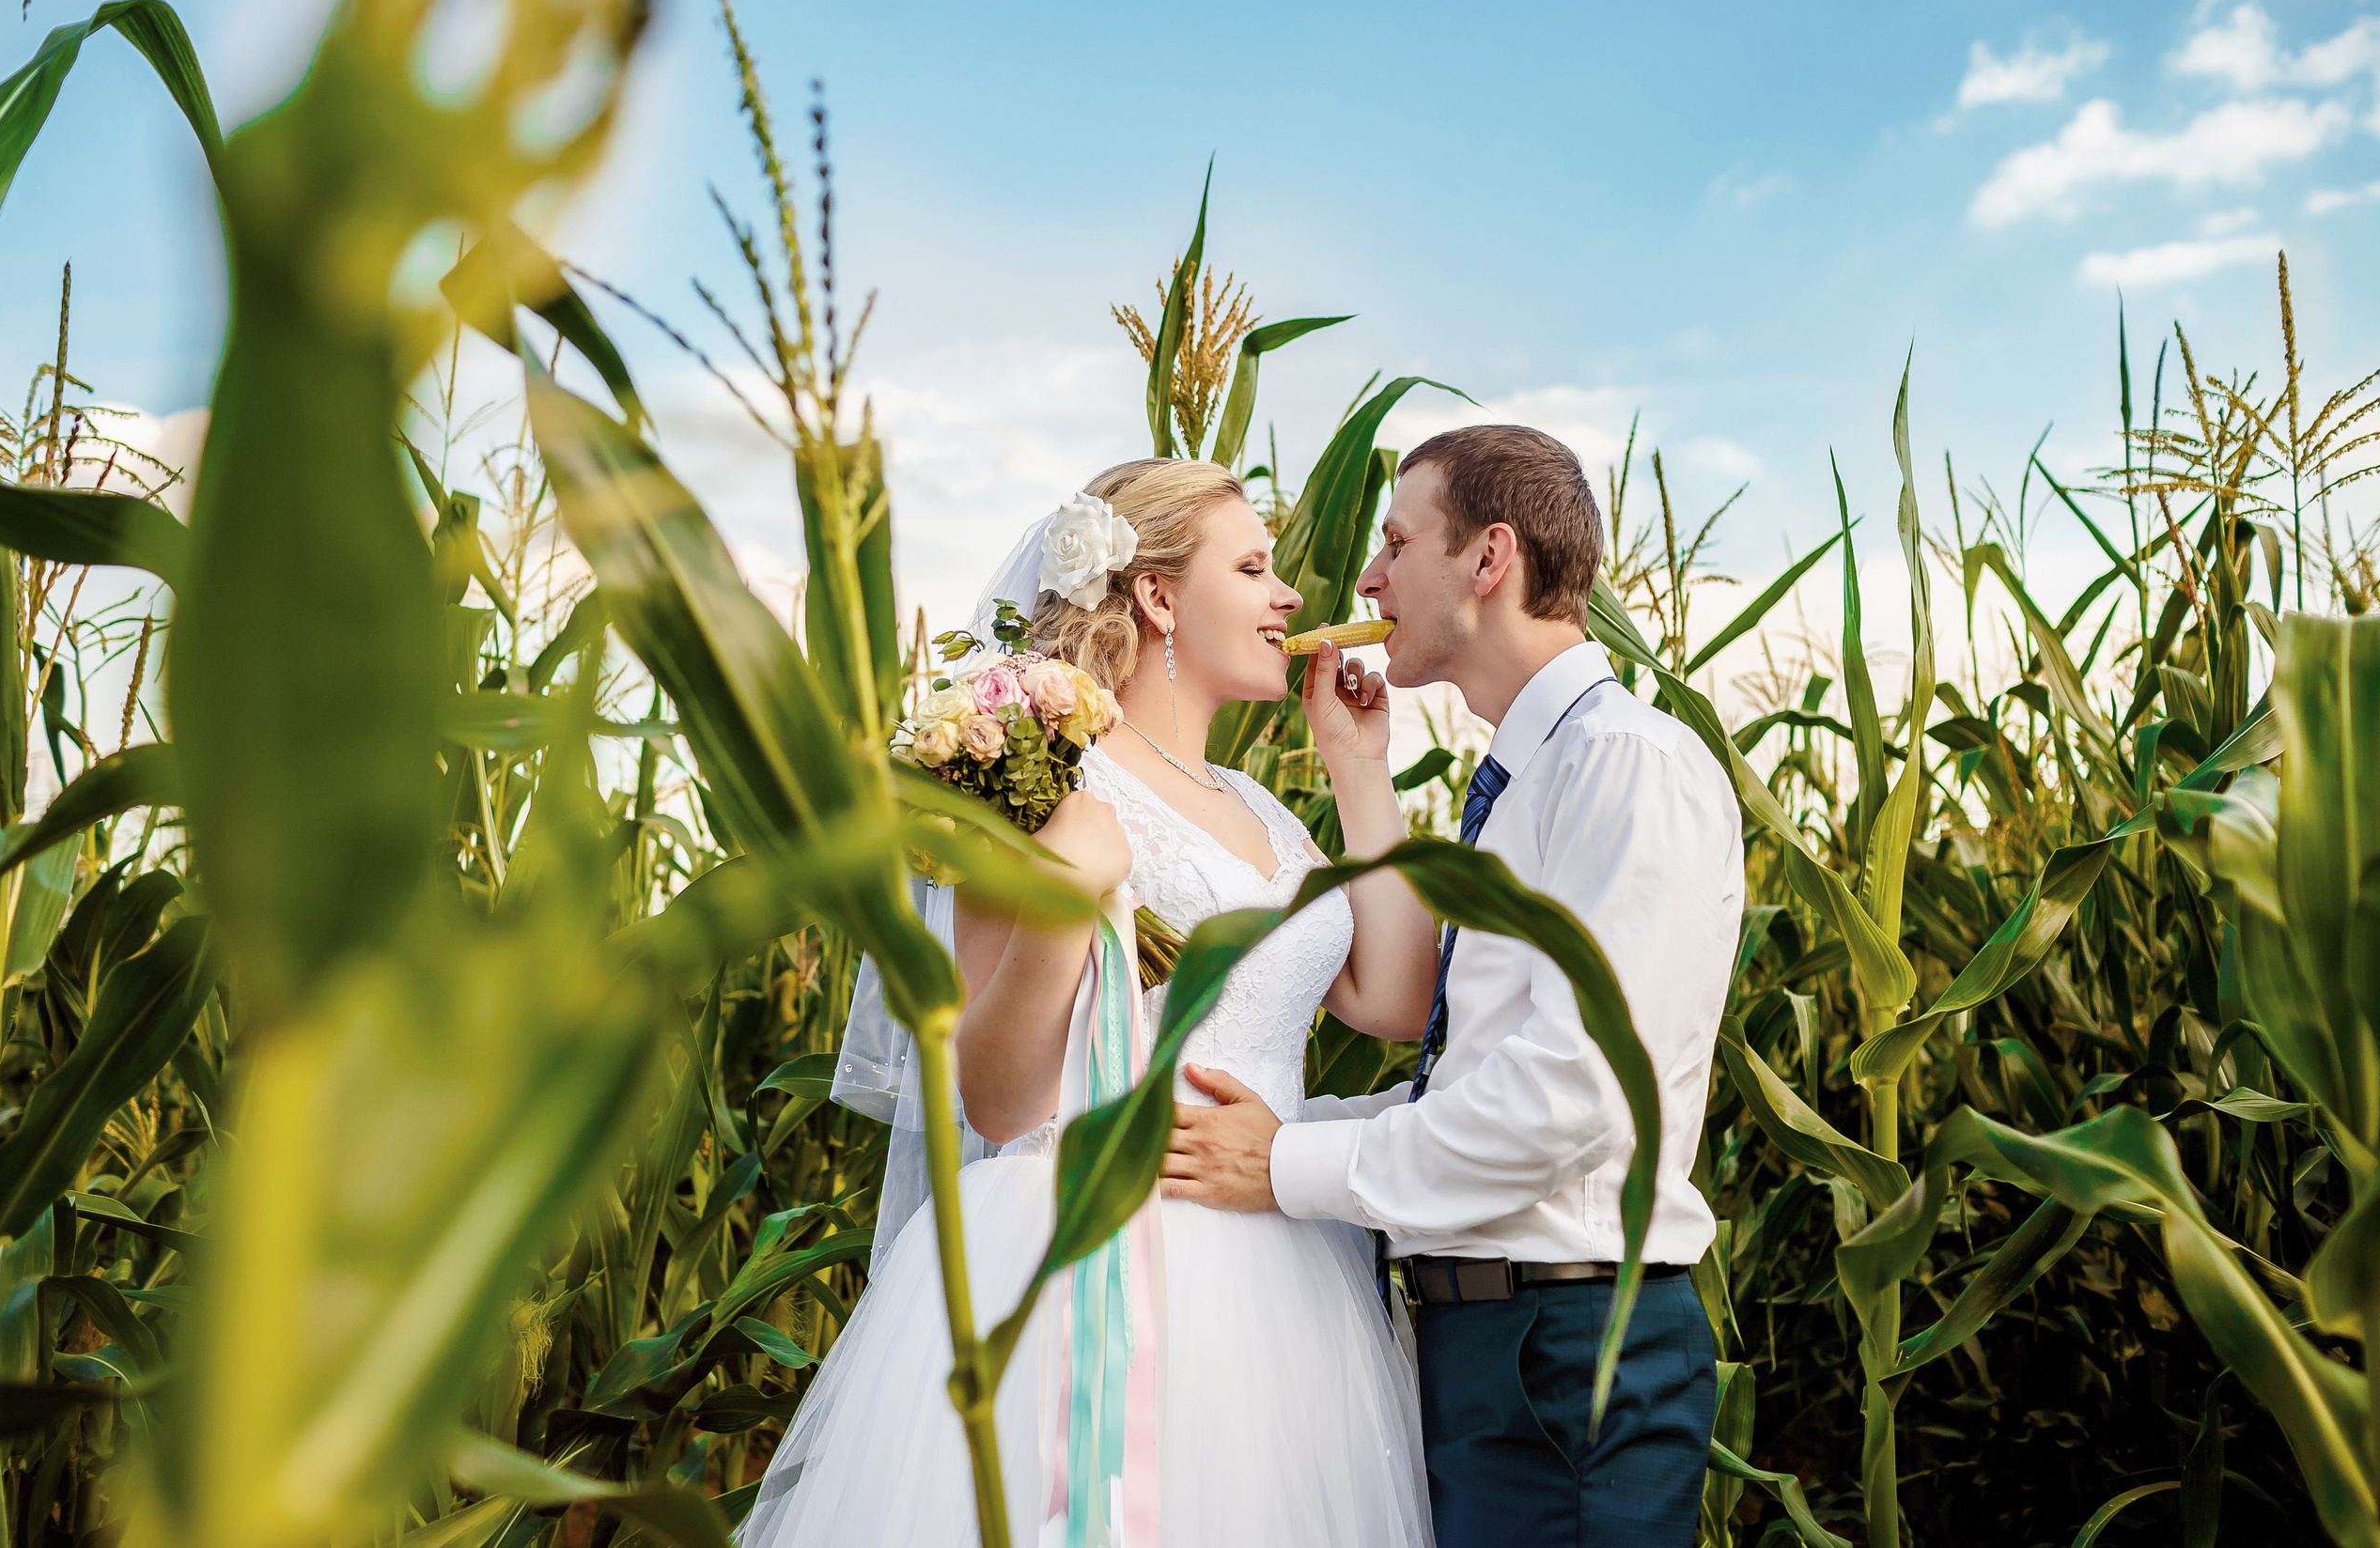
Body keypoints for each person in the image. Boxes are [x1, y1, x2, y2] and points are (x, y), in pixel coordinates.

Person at [738, 457, 1439, 1547]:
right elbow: (997, 1098)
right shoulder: (1042, 781)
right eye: (1253, 567)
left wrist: (1359, 768)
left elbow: (1395, 1000)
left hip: (1288, 1274)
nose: (1291, 597)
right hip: (1090, 1255)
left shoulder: (1262, 809)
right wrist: (1068, 893)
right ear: (1156, 596)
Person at [1159, 426, 1747, 1548]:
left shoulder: (1627, 765)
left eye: (1393, 540)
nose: (1366, 579)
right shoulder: (1531, 780)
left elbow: (1572, 1102)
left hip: (1566, 1351)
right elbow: (1465, 1078)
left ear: (1488, 559)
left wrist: (1281, 1163)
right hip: (1489, 1346)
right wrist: (1266, 1127)